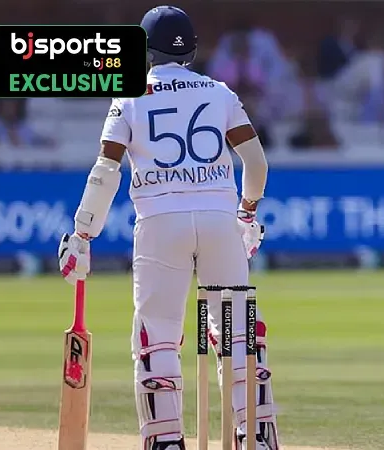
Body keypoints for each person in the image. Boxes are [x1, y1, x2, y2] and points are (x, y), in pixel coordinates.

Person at [56, 6, 279, 450]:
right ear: (192, 49)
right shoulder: (219, 92)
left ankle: (165, 441)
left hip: (160, 224)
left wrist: (82, 236)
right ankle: (256, 433)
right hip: (219, 221)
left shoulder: (130, 96)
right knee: (237, 330)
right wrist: (247, 213)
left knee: (156, 333)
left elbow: (106, 171)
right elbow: (255, 162)